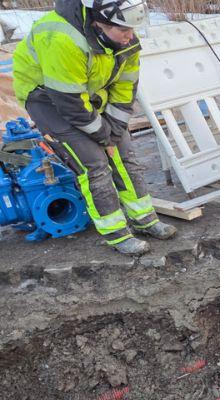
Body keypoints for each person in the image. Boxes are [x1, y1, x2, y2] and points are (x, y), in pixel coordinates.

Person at [13, 0, 176, 255]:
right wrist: (103, 136)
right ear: (99, 22)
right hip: (49, 99)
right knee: (94, 165)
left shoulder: (125, 39)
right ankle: (117, 234)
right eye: (123, 30)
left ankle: (145, 219)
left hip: (89, 93)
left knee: (126, 156)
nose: (130, 37)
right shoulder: (61, 37)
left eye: (132, 30)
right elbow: (70, 103)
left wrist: (115, 127)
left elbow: (125, 88)